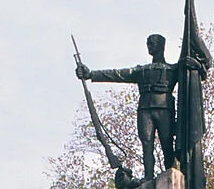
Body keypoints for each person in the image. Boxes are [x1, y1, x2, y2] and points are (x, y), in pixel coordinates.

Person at [76, 34, 204, 180]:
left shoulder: (173, 69)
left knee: (167, 143)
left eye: (152, 43)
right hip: (144, 111)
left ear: (161, 46)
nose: (149, 46)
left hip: (164, 110)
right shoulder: (141, 71)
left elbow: (194, 71)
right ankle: (148, 177)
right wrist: (91, 74)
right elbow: (117, 74)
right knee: (146, 144)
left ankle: (172, 174)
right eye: (148, 43)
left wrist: (196, 64)